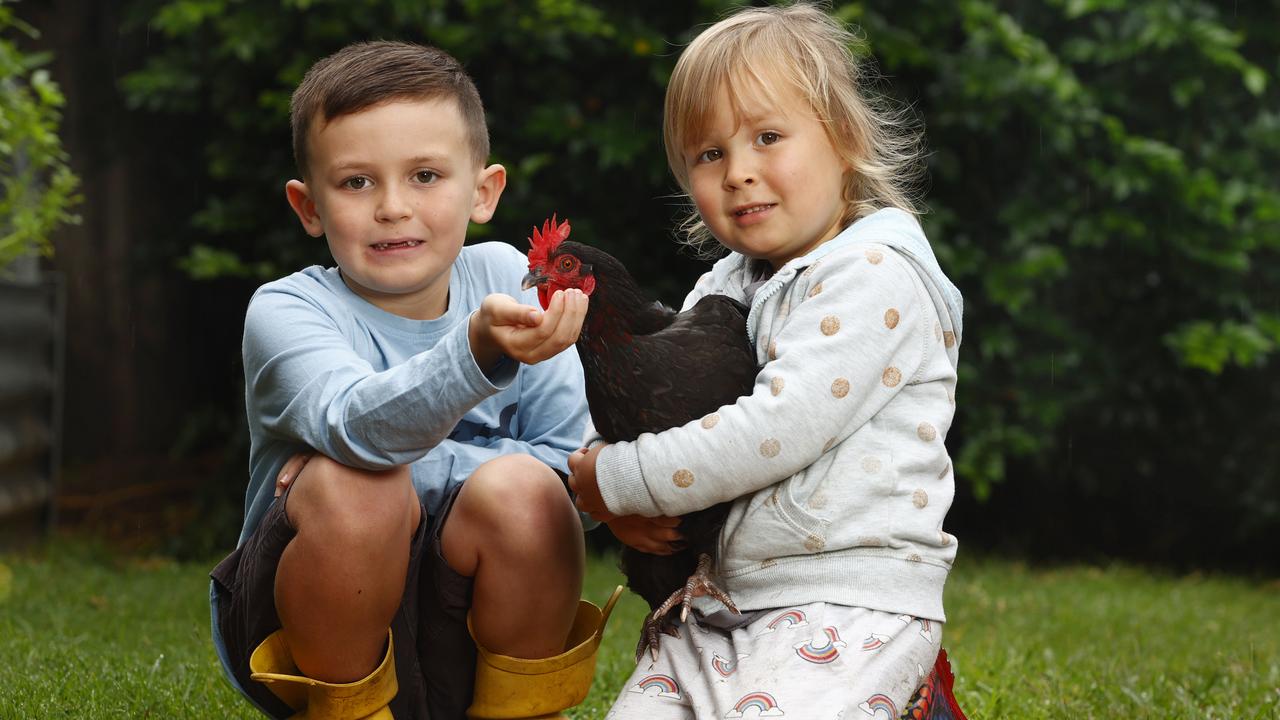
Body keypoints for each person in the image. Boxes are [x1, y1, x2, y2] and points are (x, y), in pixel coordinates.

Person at [568, 4, 965, 717]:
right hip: (718, 600)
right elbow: (660, 399)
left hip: (843, 599)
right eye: (709, 154)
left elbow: (775, 428)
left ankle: (920, 699)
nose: (739, 172)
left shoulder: (876, 273)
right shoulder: (730, 283)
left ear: (842, 140)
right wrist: (603, 478)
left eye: (768, 137)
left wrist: (618, 480)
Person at [209, 40, 600, 720]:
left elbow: (577, 480)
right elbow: (360, 428)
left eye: (425, 175)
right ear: (308, 207)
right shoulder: (289, 311)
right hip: (308, 638)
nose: (393, 206)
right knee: (356, 485)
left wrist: (419, 460)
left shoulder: (511, 279)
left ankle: (520, 711)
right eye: (357, 182)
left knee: (526, 492)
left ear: (484, 191)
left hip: (475, 632)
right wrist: (472, 355)